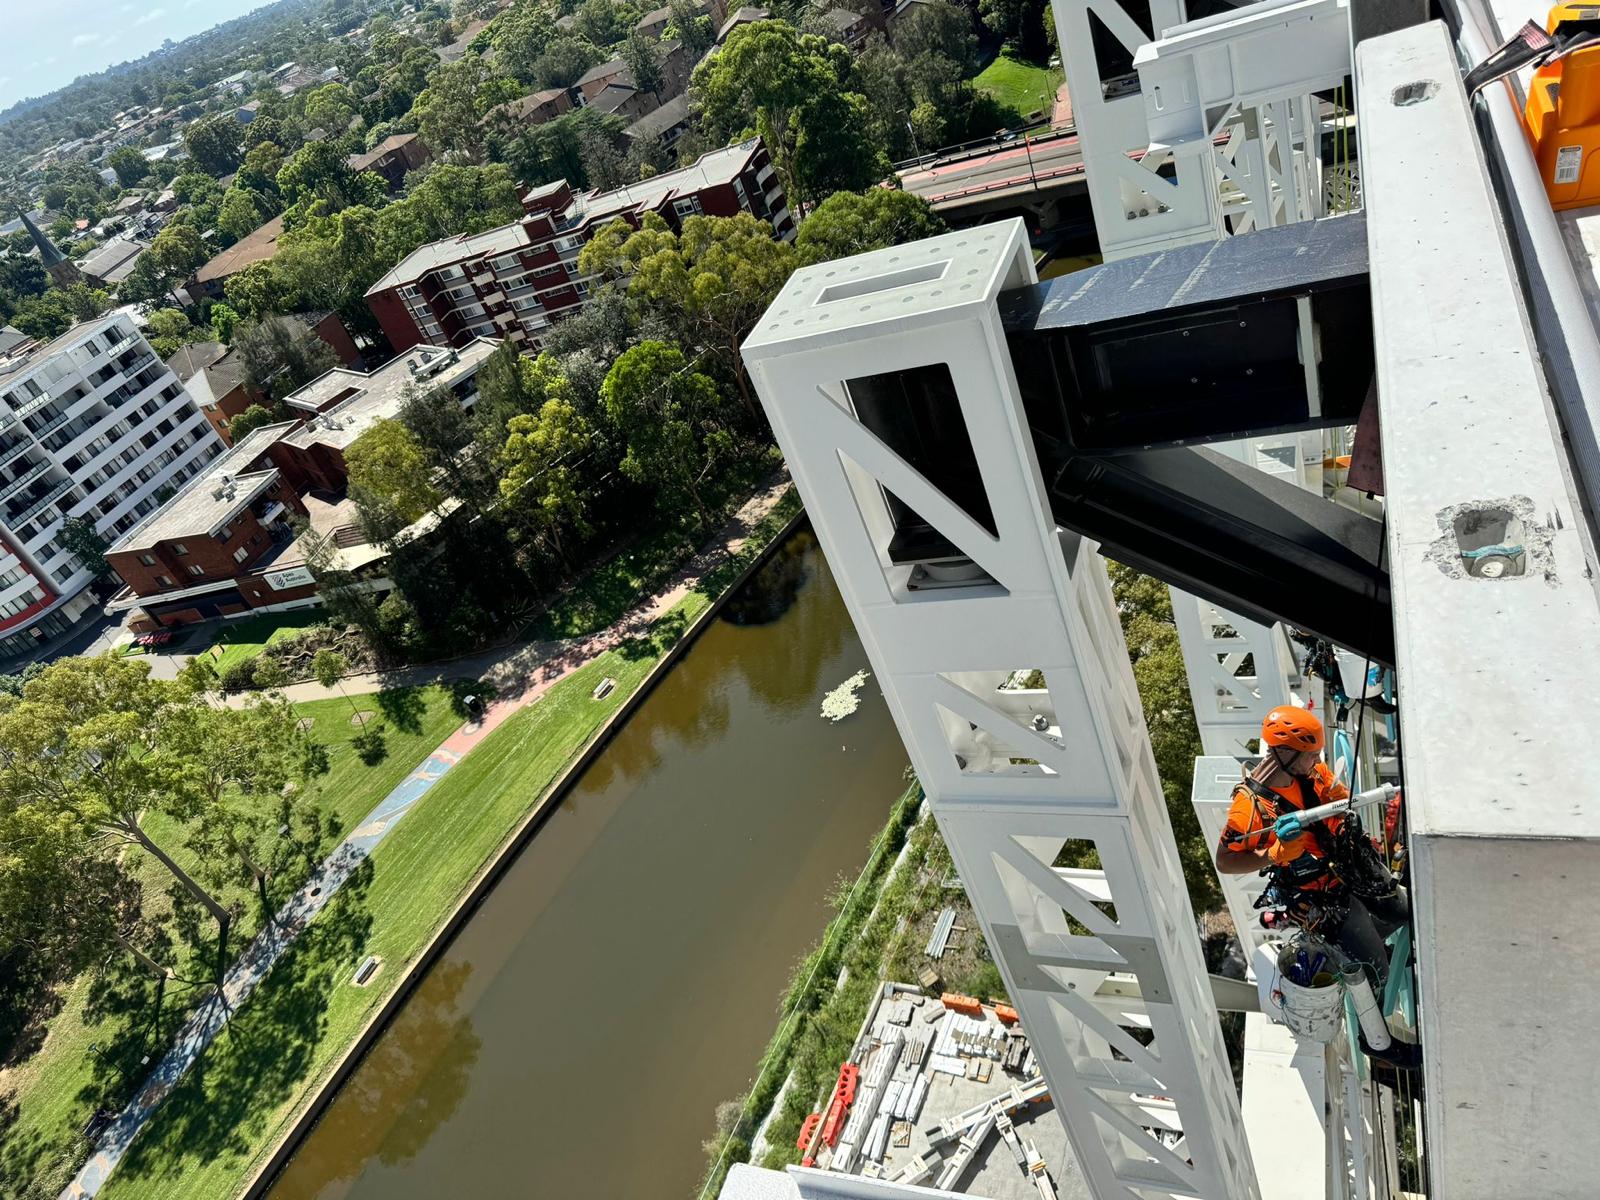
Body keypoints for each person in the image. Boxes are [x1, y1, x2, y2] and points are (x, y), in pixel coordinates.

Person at [1215, 705, 1409, 987]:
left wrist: (1339, 801)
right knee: (1377, 972)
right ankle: (1366, 951)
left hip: (1352, 863)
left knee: (1401, 912)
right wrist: (1273, 854)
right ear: (1286, 753)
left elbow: (1337, 797)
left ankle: (1365, 941)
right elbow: (1224, 861)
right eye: (1311, 754)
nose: (1318, 759)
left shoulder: (1312, 770)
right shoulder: (1250, 808)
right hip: (1323, 894)